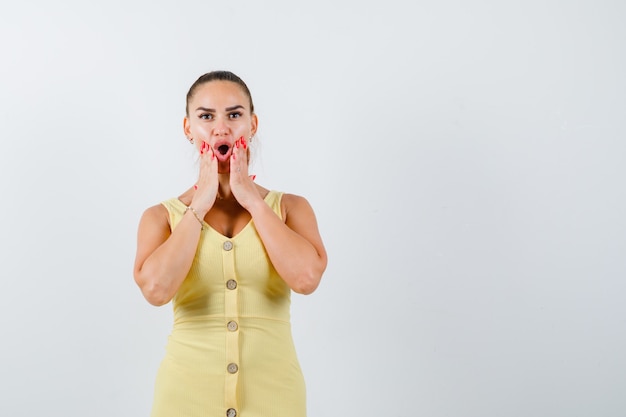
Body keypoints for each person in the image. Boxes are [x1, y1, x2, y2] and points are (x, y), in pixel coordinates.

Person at [133, 70, 328, 417]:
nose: (220, 128)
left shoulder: (291, 209)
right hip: (185, 397)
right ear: (187, 127)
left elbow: (306, 279)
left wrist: (252, 200)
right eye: (206, 116)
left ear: (252, 125)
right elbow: (156, 291)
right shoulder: (161, 217)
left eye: (234, 115)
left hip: (275, 397)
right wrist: (201, 202)